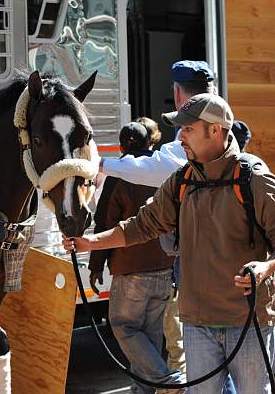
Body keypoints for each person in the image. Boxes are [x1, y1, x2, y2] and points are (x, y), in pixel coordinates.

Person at [63, 93, 275, 393]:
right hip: (197, 321)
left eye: (188, 129)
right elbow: (142, 225)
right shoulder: (182, 180)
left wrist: (267, 267)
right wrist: (89, 243)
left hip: (248, 320)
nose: (181, 138)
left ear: (215, 131)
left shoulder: (252, 177)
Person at [89, 119, 184, 394]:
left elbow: (106, 221)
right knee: (151, 337)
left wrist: (96, 266)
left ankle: (168, 381)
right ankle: (142, 391)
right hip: (165, 267)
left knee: (123, 327)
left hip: (131, 268)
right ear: (149, 143)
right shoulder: (162, 172)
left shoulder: (120, 175)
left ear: (120, 145)